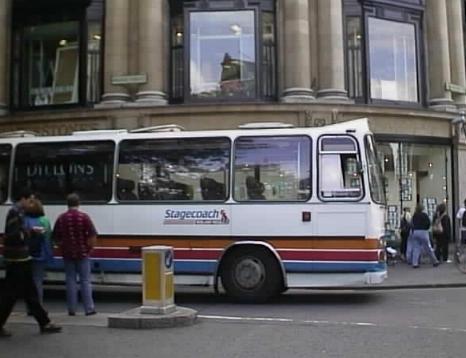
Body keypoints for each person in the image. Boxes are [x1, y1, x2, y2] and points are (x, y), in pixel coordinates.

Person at [0, 189, 62, 337]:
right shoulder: (15, 212)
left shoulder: (18, 211)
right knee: (12, 294)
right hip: (17, 258)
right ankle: (44, 322)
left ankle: (44, 322)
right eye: (30, 200)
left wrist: (30, 231)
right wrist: (31, 232)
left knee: (29, 292)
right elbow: (14, 235)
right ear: (23, 199)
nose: (31, 203)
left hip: (21, 257)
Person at [52, 193, 97, 316]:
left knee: (70, 281)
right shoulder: (84, 217)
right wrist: (89, 248)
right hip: (83, 253)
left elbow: (55, 236)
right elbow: (92, 234)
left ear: (67, 204)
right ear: (78, 203)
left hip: (67, 253)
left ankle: (72, 309)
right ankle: (89, 308)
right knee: (85, 281)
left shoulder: (61, 218)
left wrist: (61, 246)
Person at [23, 197, 54, 305]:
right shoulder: (45, 220)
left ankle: (29, 307)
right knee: (38, 281)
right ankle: (38, 306)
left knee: (28, 281)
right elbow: (48, 239)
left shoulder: (25, 220)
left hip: (26, 254)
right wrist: (49, 255)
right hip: (41, 254)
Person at [410, 203, 439, 268]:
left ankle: (415, 263)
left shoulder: (414, 215)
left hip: (415, 232)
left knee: (416, 248)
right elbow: (428, 223)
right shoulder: (424, 215)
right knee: (428, 247)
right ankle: (435, 261)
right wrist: (426, 228)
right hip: (423, 232)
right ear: (422, 209)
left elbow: (412, 224)